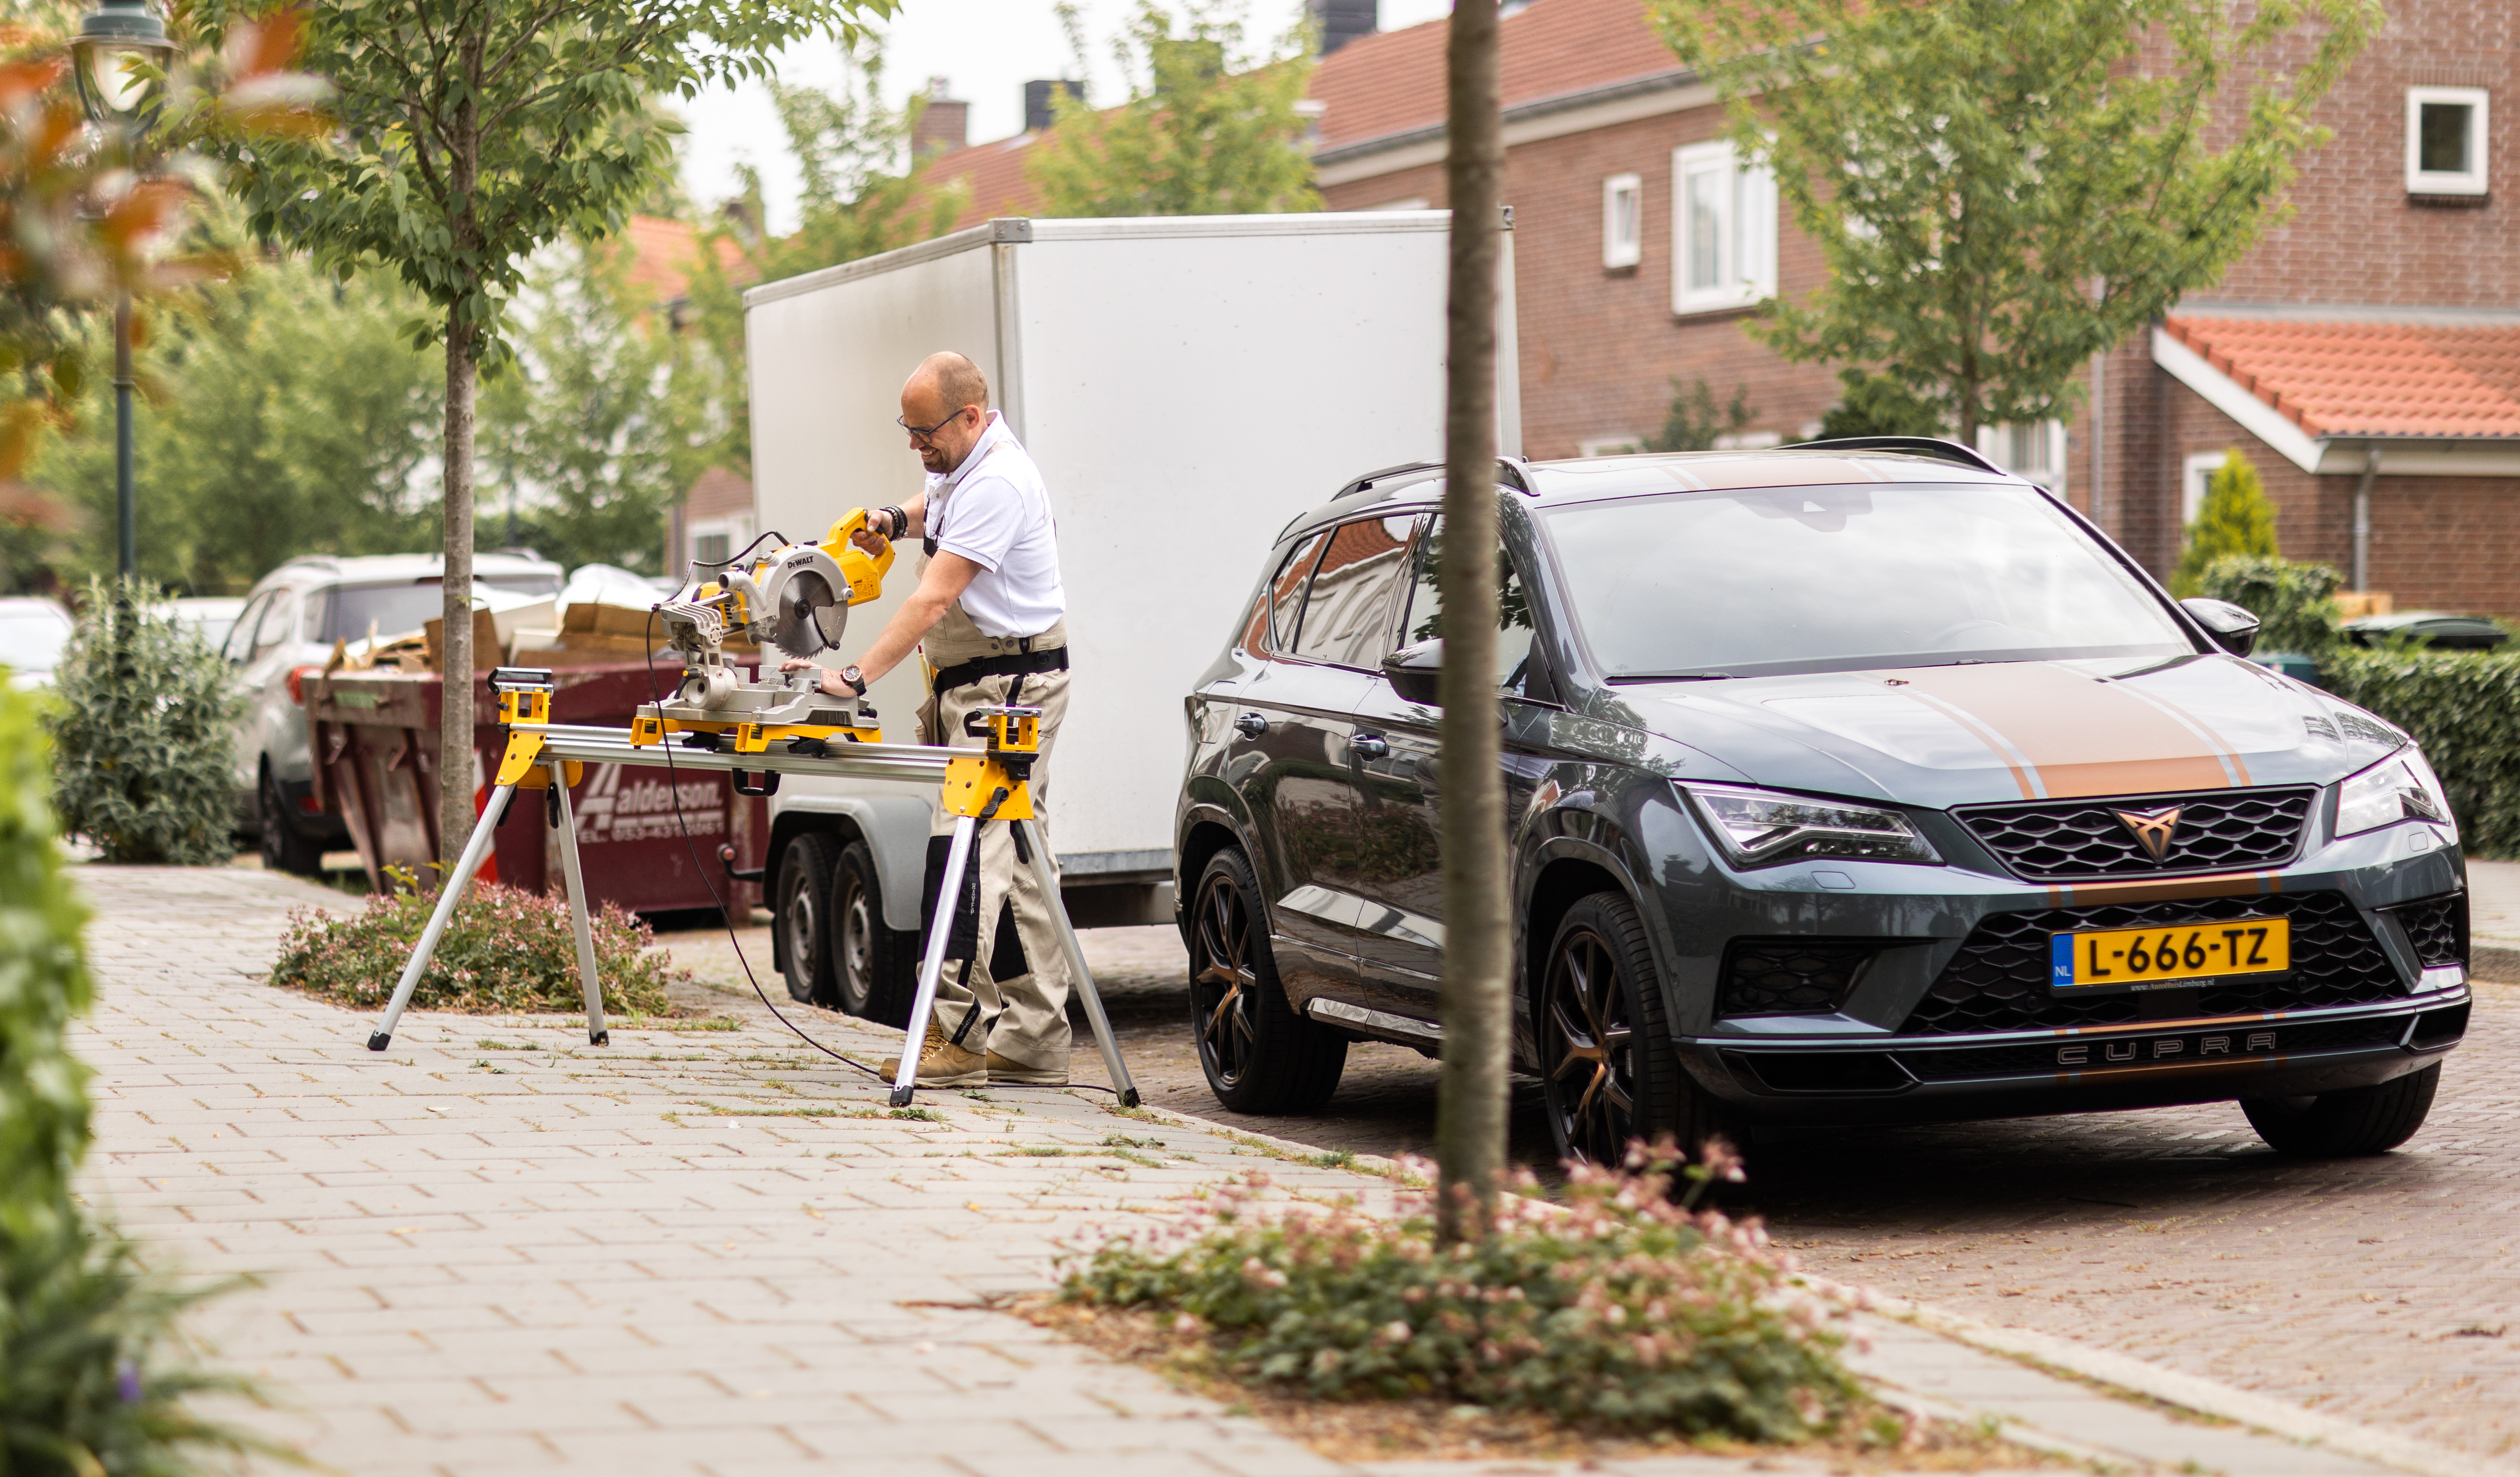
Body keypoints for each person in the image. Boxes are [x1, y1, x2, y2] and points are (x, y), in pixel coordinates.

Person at [780, 351, 1073, 1088]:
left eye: (925, 432)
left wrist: (854, 676)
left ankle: (957, 1035)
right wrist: (893, 519)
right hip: (981, 681)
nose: (916, 445)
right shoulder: (967, 460)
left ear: (970, 416)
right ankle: (1035, 1039)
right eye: (907, 431)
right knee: (1023, 860)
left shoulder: (1000, 483)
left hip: (1004, 689)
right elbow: (936, 502)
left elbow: (934, 599)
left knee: (964, 852)